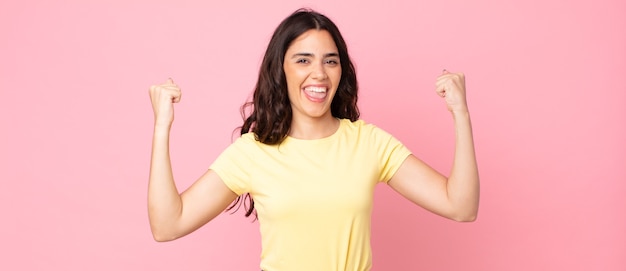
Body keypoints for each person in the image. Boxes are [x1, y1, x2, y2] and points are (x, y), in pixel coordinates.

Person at [147, 8, 479, 271]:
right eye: (303, 59)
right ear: (281, 69)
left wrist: (460, 114)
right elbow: (167, 225)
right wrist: (162, 125)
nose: (318, 73)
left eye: (330, 61)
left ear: (341, 71)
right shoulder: (252, 152)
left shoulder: (369, 143)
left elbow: (460, 206)